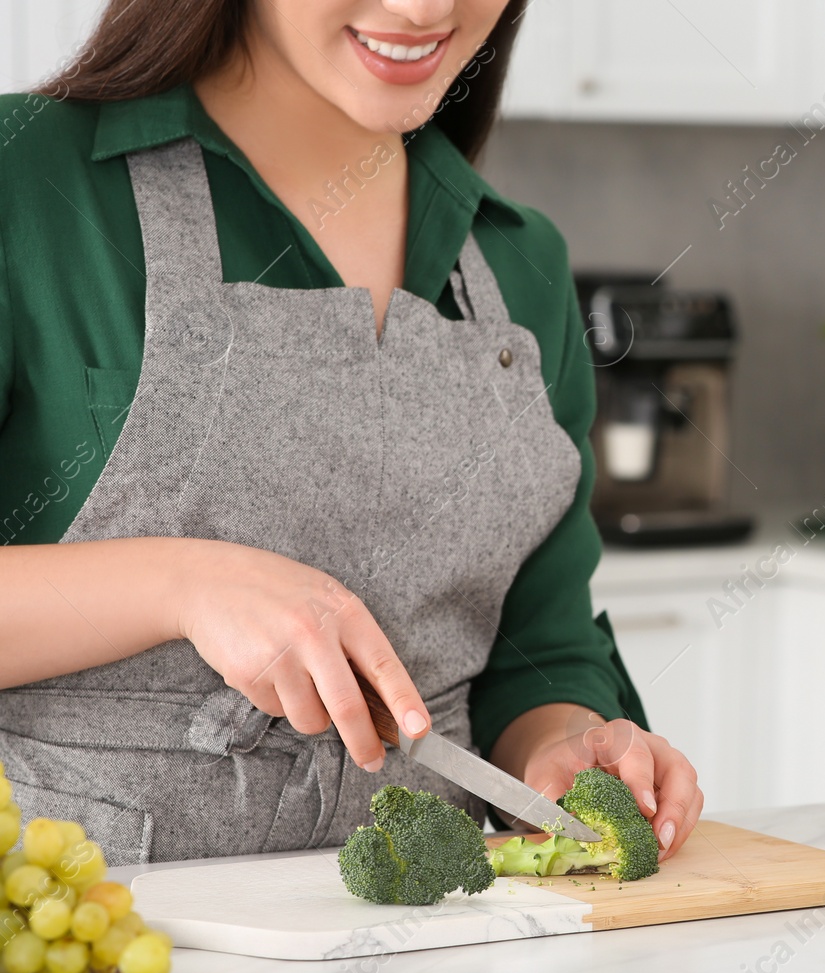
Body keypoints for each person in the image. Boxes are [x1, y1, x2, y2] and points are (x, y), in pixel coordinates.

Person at [0, 0, 703, 865]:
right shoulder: (27, 186)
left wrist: (560, 748)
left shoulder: (523, 267)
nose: (423, 8)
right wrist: (180, 583)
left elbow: (539, 646)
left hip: (428, 972)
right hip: (79, 961)